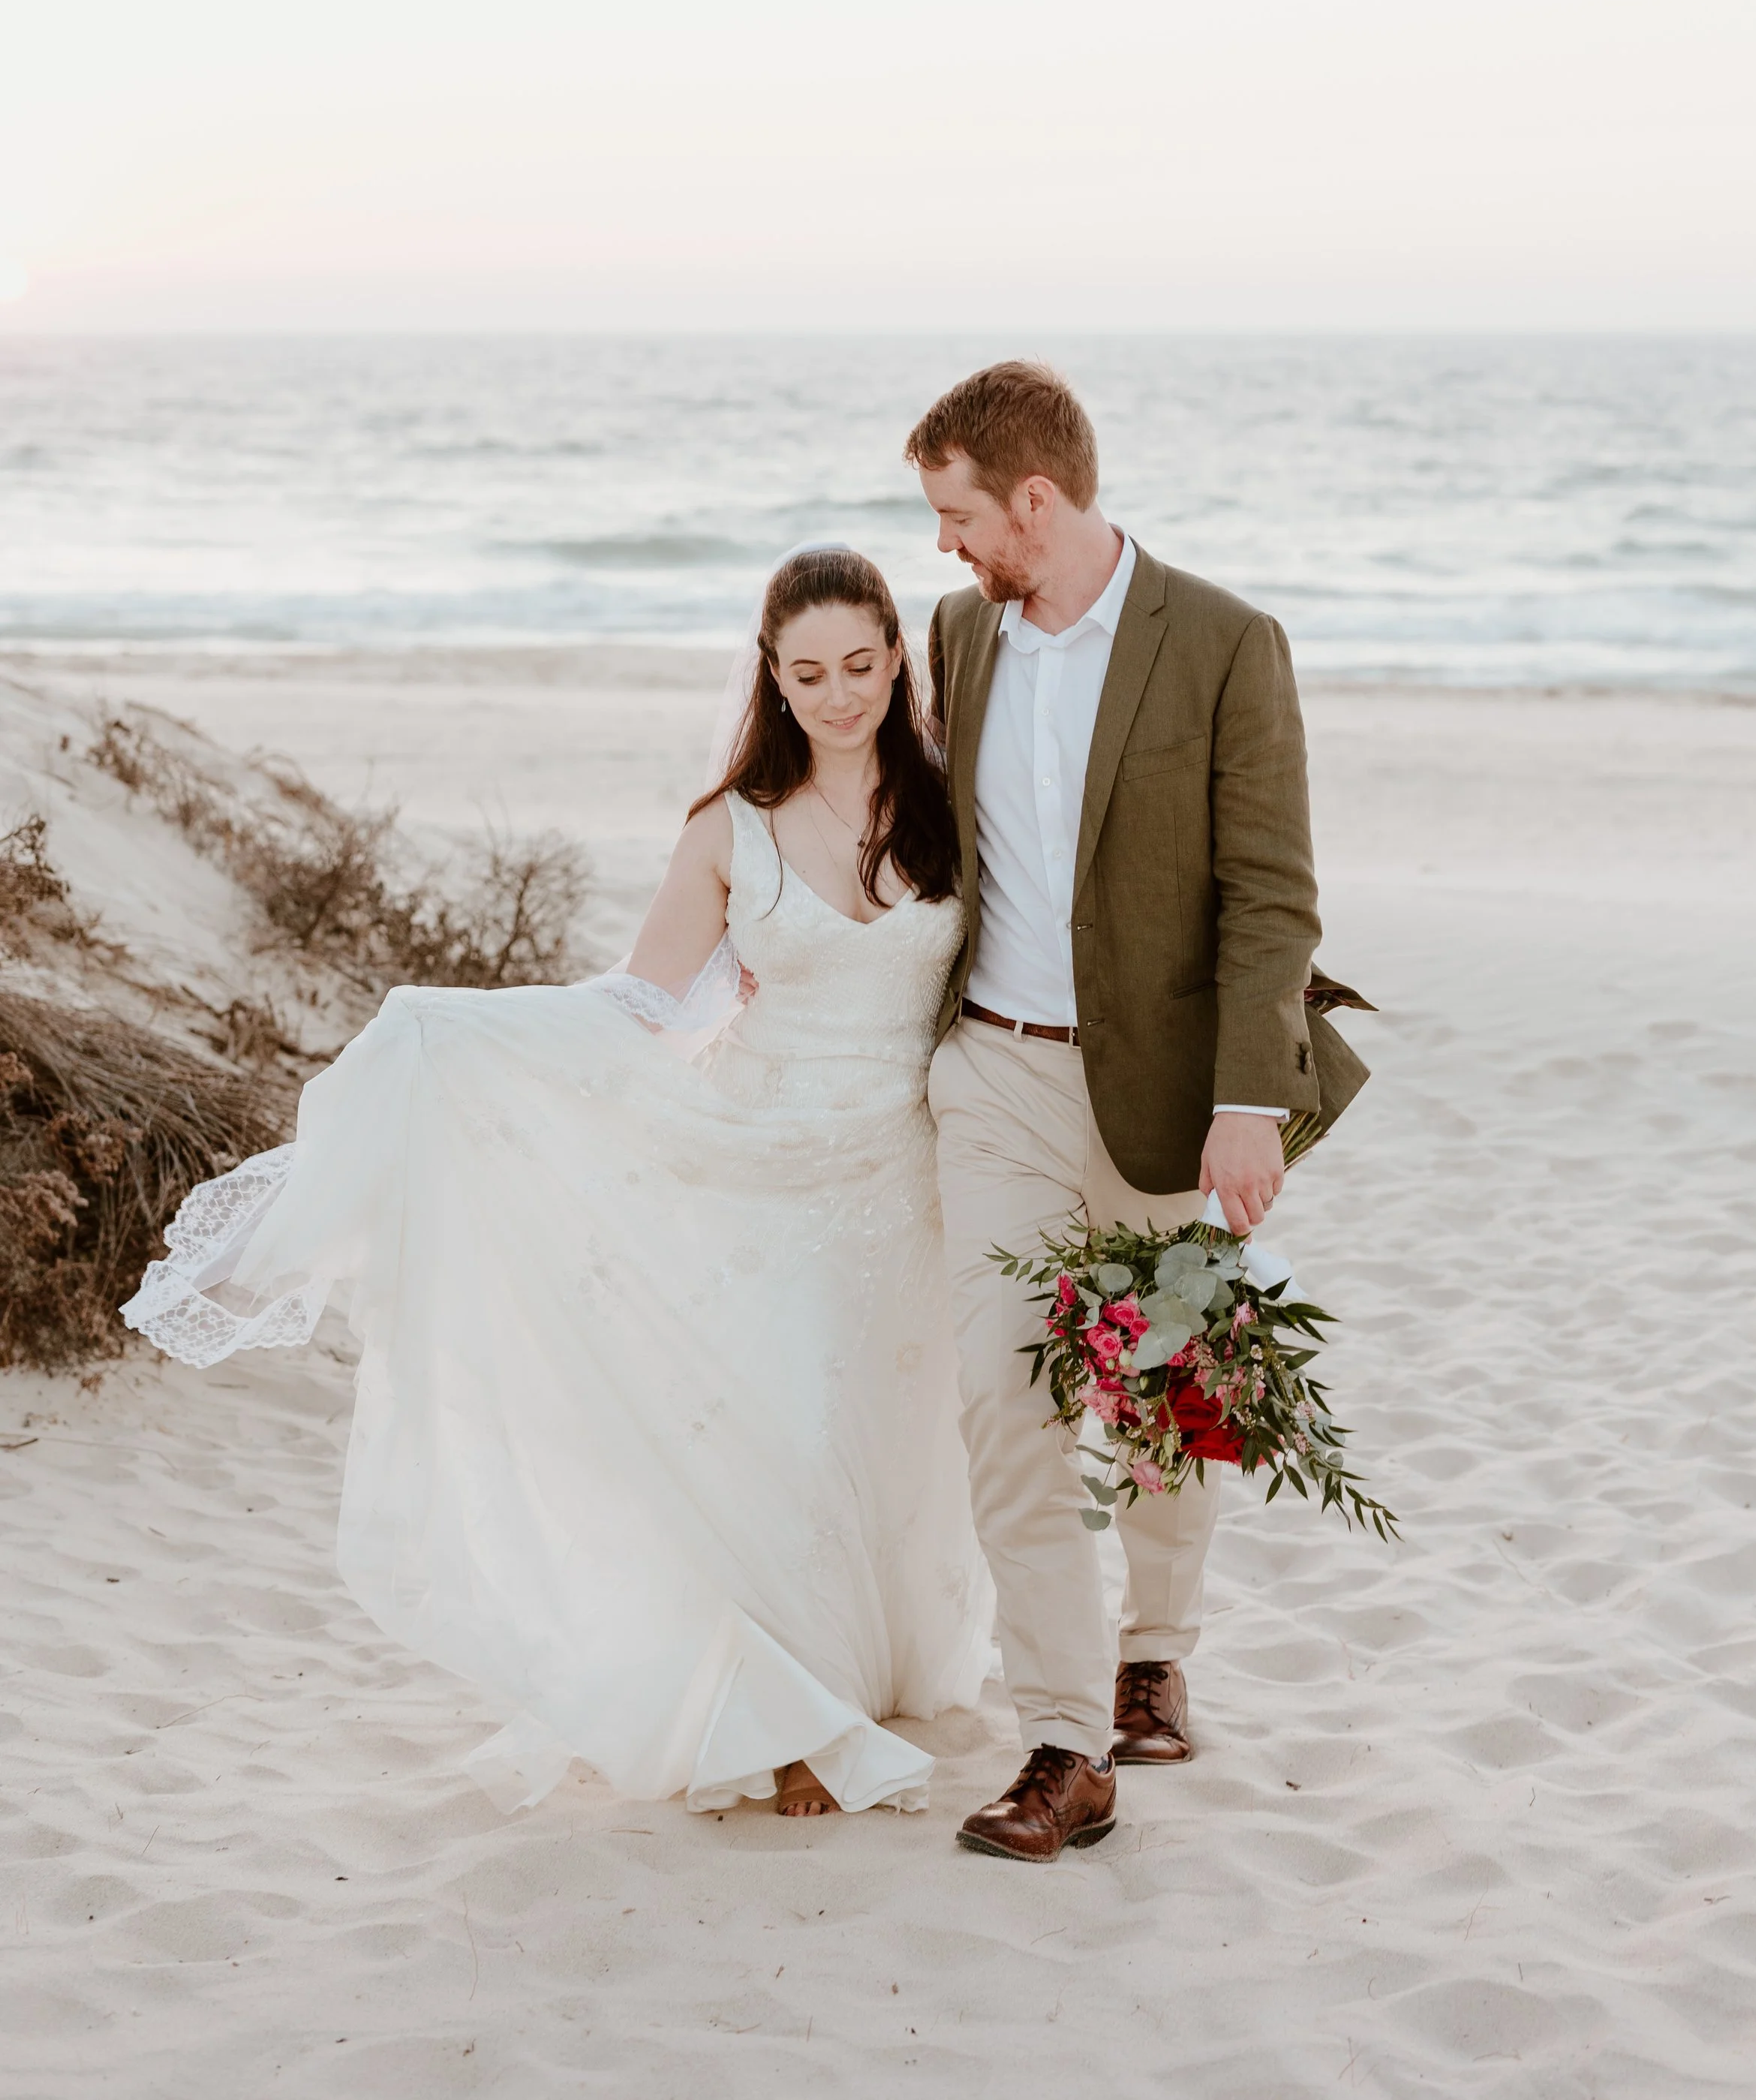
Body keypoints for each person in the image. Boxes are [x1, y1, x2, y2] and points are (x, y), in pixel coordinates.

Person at [122, 547, 991, 1822]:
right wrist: (455, 1033)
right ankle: (793, 1718)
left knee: (885, 1429)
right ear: (774, 675)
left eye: (861, 663)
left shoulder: (947, 807)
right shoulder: (729, 827)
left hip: (907, 1173)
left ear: (896, 654)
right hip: (765, 1165)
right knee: (787, 1433)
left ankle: (869, 1669)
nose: (840, 693)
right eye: (808, 672)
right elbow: (640, 1006)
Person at [907, 361, 1367, 1864]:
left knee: (1167, 1398)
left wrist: (1248, 1099)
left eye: (957, 514)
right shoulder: (959, 634)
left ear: (1034, 502)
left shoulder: (1225, 643)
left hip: (1167, 1088)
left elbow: (1268, 894)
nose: (944, 547)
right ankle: (1056, 1740)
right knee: (999, 1389)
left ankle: (1152, 1648)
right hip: (993, 1073)